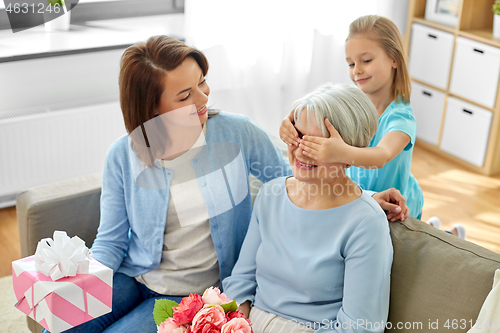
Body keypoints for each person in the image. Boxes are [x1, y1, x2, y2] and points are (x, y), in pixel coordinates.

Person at [43, 36, 408, 333]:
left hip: (195, 293)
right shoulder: (123, 155)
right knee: (58, 323)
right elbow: (110, 241)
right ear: (152, 109)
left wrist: (363, 199)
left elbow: (295, 176)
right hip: (134, 275)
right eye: (185, 96)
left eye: (201, 82)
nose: (203, 99)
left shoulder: (236, 133)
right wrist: (77, 284)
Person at [223, 83, 393, 333]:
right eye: (298, 136)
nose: (301, 150)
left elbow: (359, 328)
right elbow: (241, 280)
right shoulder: (271, 194)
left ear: (350, 151)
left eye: (317, 144)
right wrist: (236, 325)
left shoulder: (366, 223)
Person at [280, 15, 424, 221]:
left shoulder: (401, 118)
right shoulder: (352, 102)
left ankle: (448, 231)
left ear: (394, 58)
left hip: (394, 204)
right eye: (350, 63)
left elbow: (381, 156)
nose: (356, 70)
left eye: (366, 61)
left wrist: (341, 152)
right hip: (360, 195)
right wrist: (288, 122)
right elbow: (313, 107)